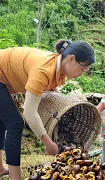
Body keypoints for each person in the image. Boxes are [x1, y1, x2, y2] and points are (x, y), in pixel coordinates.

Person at [0, 39, 95, 179]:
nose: (82, 74)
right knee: (15, 123)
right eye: (82, 69)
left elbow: (53, 98)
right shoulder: (43, 70)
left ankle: (1, 168)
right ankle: (16, 176)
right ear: (71, 59)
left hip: (4, 81)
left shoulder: (58, 70)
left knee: (2, 121)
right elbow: (29, 111)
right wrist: (48, 142)